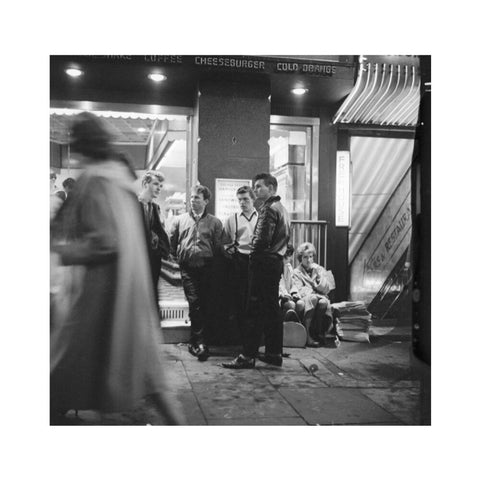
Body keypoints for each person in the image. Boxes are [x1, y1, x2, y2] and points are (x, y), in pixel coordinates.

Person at [50, 112, 183, 425]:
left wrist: (61, 250)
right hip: (127, 292)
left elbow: (105, 241)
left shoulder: (96, 180)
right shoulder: (118, 180)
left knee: (74, 364)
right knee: (148, 374)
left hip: (100, 294)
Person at [223, 172, 290, 369]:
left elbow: (261, 240)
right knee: (272, 309)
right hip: (275, 263)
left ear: (271, 188)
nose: (256, 189)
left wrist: (253, 255)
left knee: (253, 310)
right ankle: (273, 353)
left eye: (259, 186)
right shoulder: (282, 209)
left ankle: (247, 356)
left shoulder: (268, 209)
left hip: (263, 264)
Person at [169, 185, 223, 362]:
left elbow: (218, 246)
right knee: (195, 302)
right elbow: (172, 243)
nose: (193, 201)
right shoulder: (179, 220)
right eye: (191, 197)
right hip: (188, 268)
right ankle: (199, 342)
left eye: (197, 198)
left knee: (206, 303)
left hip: (207, 268)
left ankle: (198, 340)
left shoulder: (215, 223)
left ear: (206, 201)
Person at [222, 185, 258, 347]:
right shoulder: (232, 219)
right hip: (238, 262)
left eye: (246, 199)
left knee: (254, 302)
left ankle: (254, 341)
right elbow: (224, 242)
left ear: (253, 200)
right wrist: (230, 252)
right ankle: (241, 340)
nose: (242, 203)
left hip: (256, 262)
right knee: (238, 302)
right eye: (240, 200)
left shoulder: (261, 217)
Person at [293, 242, 336, 347]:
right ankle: (307, 334)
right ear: (300, 258)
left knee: (323, 302)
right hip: (306, 298)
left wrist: (317, 281)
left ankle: (319, 332)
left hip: (319, 296)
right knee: (313, 299)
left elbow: (327, 288)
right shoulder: (296, 272)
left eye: (311, 257)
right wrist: (315, 291)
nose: (309, 260)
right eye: (305, 257)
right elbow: (300, 289)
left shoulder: (319, 269)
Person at [138, 170, 170, 305]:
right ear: (146, 184)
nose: (159, 188)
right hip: (137, 260)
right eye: (156, 184)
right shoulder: (132, 205)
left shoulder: (155, 207)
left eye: (161, 186)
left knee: (151, 297)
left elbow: (158, 231)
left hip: (152, 260)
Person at [279, 244, 303, 323]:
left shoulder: (288, 267)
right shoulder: (275, 266)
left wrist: (294, 293)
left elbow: (293, 283)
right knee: (291, 305)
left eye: (289, 256)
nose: (288, 259)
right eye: (286, 256)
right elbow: (278, 286)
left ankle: (297, 326)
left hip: (289, 296)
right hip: (280, 297)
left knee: (300, 304)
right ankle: (286, 328)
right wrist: (283, 295)